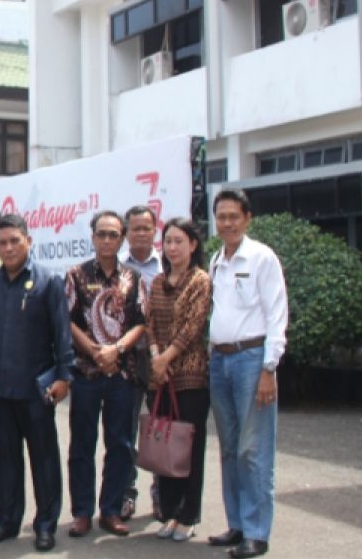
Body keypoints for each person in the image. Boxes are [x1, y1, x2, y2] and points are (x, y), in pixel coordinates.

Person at [0, 213, 73, 553]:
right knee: (4, 460)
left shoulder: (48, 281)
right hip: (0, 392)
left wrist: (64, 377)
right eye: (2, 242)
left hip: (37, 390)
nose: (8, 248)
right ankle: (6, 521)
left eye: (14, 241)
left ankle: (45, 525)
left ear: (28, 241)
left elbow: (62, 335)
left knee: (44, 461)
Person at [207, 189, 288, 559]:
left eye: (233, 216)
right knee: (229, 448)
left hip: (252, 360)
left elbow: (276, 315)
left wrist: (269, 367)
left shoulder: (261, 257)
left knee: (253, 450)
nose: (226, 223)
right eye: (221, 216)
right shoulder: (216, 260)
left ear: (247, 218)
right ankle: (237, 524)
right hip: (220, 362)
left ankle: (257, 533)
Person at [65, 210, 147, 539]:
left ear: (122, 238)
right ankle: (82, 512)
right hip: (86, 373)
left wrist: (117, 350)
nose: (108, 240)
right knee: (82, 445)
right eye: (102, 234)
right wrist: (97, 352)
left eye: (114, 235)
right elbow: (67, 320)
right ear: (93, 237)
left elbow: (140, 322)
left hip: (122, 375)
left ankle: (111, 510)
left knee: (121, 444)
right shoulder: (76, 275)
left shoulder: (133, 278)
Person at [145, 217, 212, 543]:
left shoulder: (200, 281)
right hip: (160, 378)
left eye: (179, 241)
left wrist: (166, 357)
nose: (172, 247)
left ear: (193, 245)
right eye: (168, 241)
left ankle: (189, 515)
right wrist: (157, 357)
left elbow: (193, 326)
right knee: (164, 446)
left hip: (190, 377)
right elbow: (150, 323)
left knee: (189, 449)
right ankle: (169, 512)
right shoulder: (157, 282)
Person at [120, 204, 161, 521]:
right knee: (126, 429)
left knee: (161, 428)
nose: (141, 233)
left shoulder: (167, 265)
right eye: (135, 228)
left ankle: (162, 494)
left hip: (161, 359)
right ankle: (126, 494)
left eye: (147, 227)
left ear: (155, 230)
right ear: (126, 232)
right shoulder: (119, 272)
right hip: (130, 359)